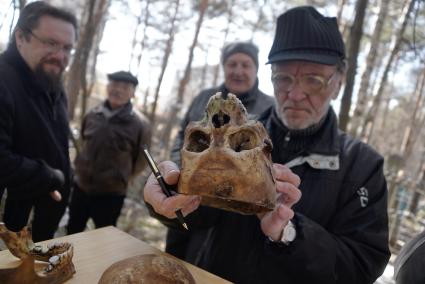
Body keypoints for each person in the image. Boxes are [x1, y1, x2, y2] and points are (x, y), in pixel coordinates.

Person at [144, 6, 390, 283]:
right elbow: (198, 219)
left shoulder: (362, 166)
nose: (295, 94)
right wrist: (168, 196)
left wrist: (289, 231)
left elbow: (362, 265)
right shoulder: (230, 137)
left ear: (339, 82)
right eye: (283, 77)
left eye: (313, 80)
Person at [167, 41, 275, 258]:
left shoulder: (269, 108)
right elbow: (182, 135)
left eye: (245, 65)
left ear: (255, 70)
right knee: (177, 256)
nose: (238, 71)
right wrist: (181, 167)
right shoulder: (202, 98)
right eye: (232, 64)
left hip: (238, 216)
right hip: (191, 200)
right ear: (224, 67)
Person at [0, 1, 77, 242]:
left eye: (68, 48)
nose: (60, 56)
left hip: (42, 213)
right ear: (21, 37)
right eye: (51, 43)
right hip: (13, 213)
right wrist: (48, 176)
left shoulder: (51, 80)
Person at [66, 71, 151, 234]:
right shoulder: (92, 114)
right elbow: (84, 142)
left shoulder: (141, 124)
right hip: (81, 187)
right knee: (72, 232)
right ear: (107, 87)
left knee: (103, 239)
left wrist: (123, 178)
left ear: (133, 93)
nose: (117, 90)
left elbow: (142, 160)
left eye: (125, 87)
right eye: (114, 85)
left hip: (111, 195)